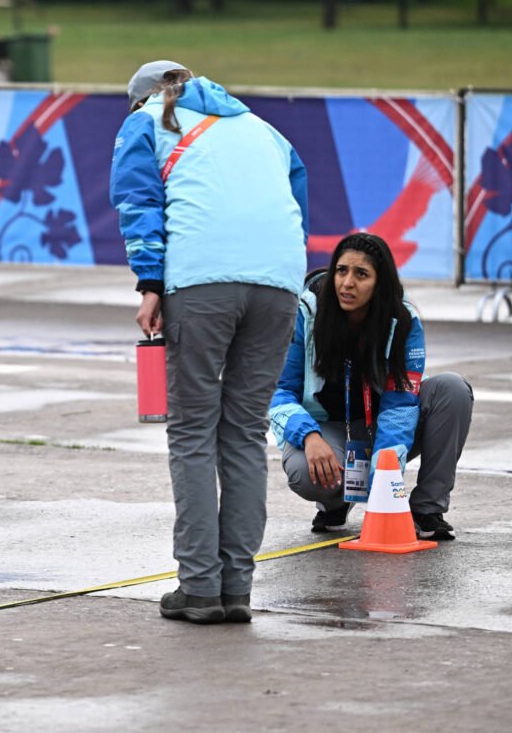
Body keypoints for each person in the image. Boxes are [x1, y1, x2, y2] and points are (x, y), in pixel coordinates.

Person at [110, 60, 309, 624]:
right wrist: (282, 276)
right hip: (278, 284)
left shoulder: (146, 121)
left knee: (193, 430)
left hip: (202, 282)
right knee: (245, 432)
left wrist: (149, 283)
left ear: (143, 97)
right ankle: (236, 590)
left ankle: (200, 587)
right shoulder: (262, 128)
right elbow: (297, 196)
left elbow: (139, 204)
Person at [270, 232, 474, 541]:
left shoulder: (403, 319)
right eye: (341, 271)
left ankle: (426, 510)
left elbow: (401, 405)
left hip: (382, 425)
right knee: (302, 471)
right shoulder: (305, 314)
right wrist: (308, 435)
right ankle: (334, 503)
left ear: (380, 283)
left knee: (452, 389)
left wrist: (384, 487)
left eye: (361, 274)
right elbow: (278, 392)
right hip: (328, 429)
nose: (347, 283)